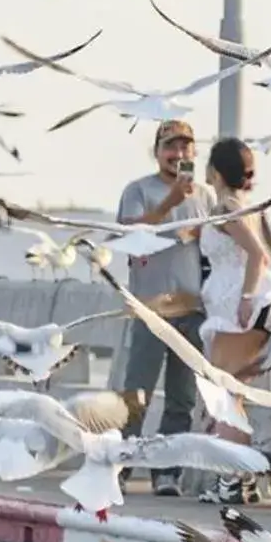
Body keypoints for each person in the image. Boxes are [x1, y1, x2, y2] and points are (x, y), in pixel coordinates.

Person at [113, 119, 215, 496]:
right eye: (171, 147)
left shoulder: (204, 195)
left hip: (193, 308)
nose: (179, 154)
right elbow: (128, 233)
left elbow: (215, 244)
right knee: (137, 393)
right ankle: (120, 463)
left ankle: (166, 472)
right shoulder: (138, 190)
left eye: (186, 147)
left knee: (182, 398)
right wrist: (171, 202)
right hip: (151, 308)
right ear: (156, 151)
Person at [193, 138, 271, 504]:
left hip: (237, 311)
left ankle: (231, 481)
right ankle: (239, 479)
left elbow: (258, 255)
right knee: (230, 397)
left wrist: (247, 298)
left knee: (224, 396)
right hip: (233, 308)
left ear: (215, 172)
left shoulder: (228, 206)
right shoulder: (245, 205)